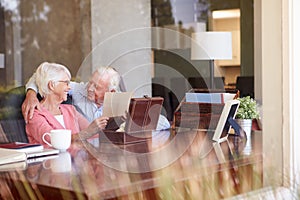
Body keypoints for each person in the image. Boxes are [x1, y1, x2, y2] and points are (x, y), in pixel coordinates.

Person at [23, 66, 170, 130]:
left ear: (111, 91)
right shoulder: (81, 89)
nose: (90, 88)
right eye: (90, 82)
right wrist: (31, 93)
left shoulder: (121, 101)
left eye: (97, 87)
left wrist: (136, 119)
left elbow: (165, 124)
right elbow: (41, 76)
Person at [25, 62, 109, 145]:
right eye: (66, 83)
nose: (69, 87)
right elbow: (53, 141)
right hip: (51, 158)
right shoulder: (35, 115)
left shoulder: (70, 109)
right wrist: (87, 132)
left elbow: (93, 135)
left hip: (77, 157)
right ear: (52, 85)